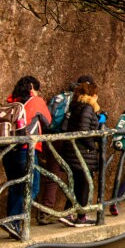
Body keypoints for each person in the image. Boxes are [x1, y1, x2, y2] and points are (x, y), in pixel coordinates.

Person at [0, 76, 51, 239]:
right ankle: (13, 221)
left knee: (15, 186)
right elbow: (48, 122)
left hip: (8, 151)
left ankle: (12, 222)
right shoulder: (36, 101)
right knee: (32, 186)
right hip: (26, 149)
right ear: (32, 88)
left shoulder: (11, 102)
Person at [38, 74, 94, 225]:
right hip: (68, 142)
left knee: (53, 176)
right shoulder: (80, 100)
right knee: (77, 177)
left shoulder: (62, 97)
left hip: (53, 138)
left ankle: (46, 212)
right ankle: (68, 213)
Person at [59, 81, 101, 227]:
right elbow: (84, 130)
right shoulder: (88, 108)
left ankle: (68, 213)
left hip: (72, 150)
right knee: (84, 184)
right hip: (83, 152)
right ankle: (81, 217)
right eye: (96, 95)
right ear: (92, 95)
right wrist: (92, 146)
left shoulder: (75, 106)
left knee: (76, 183)